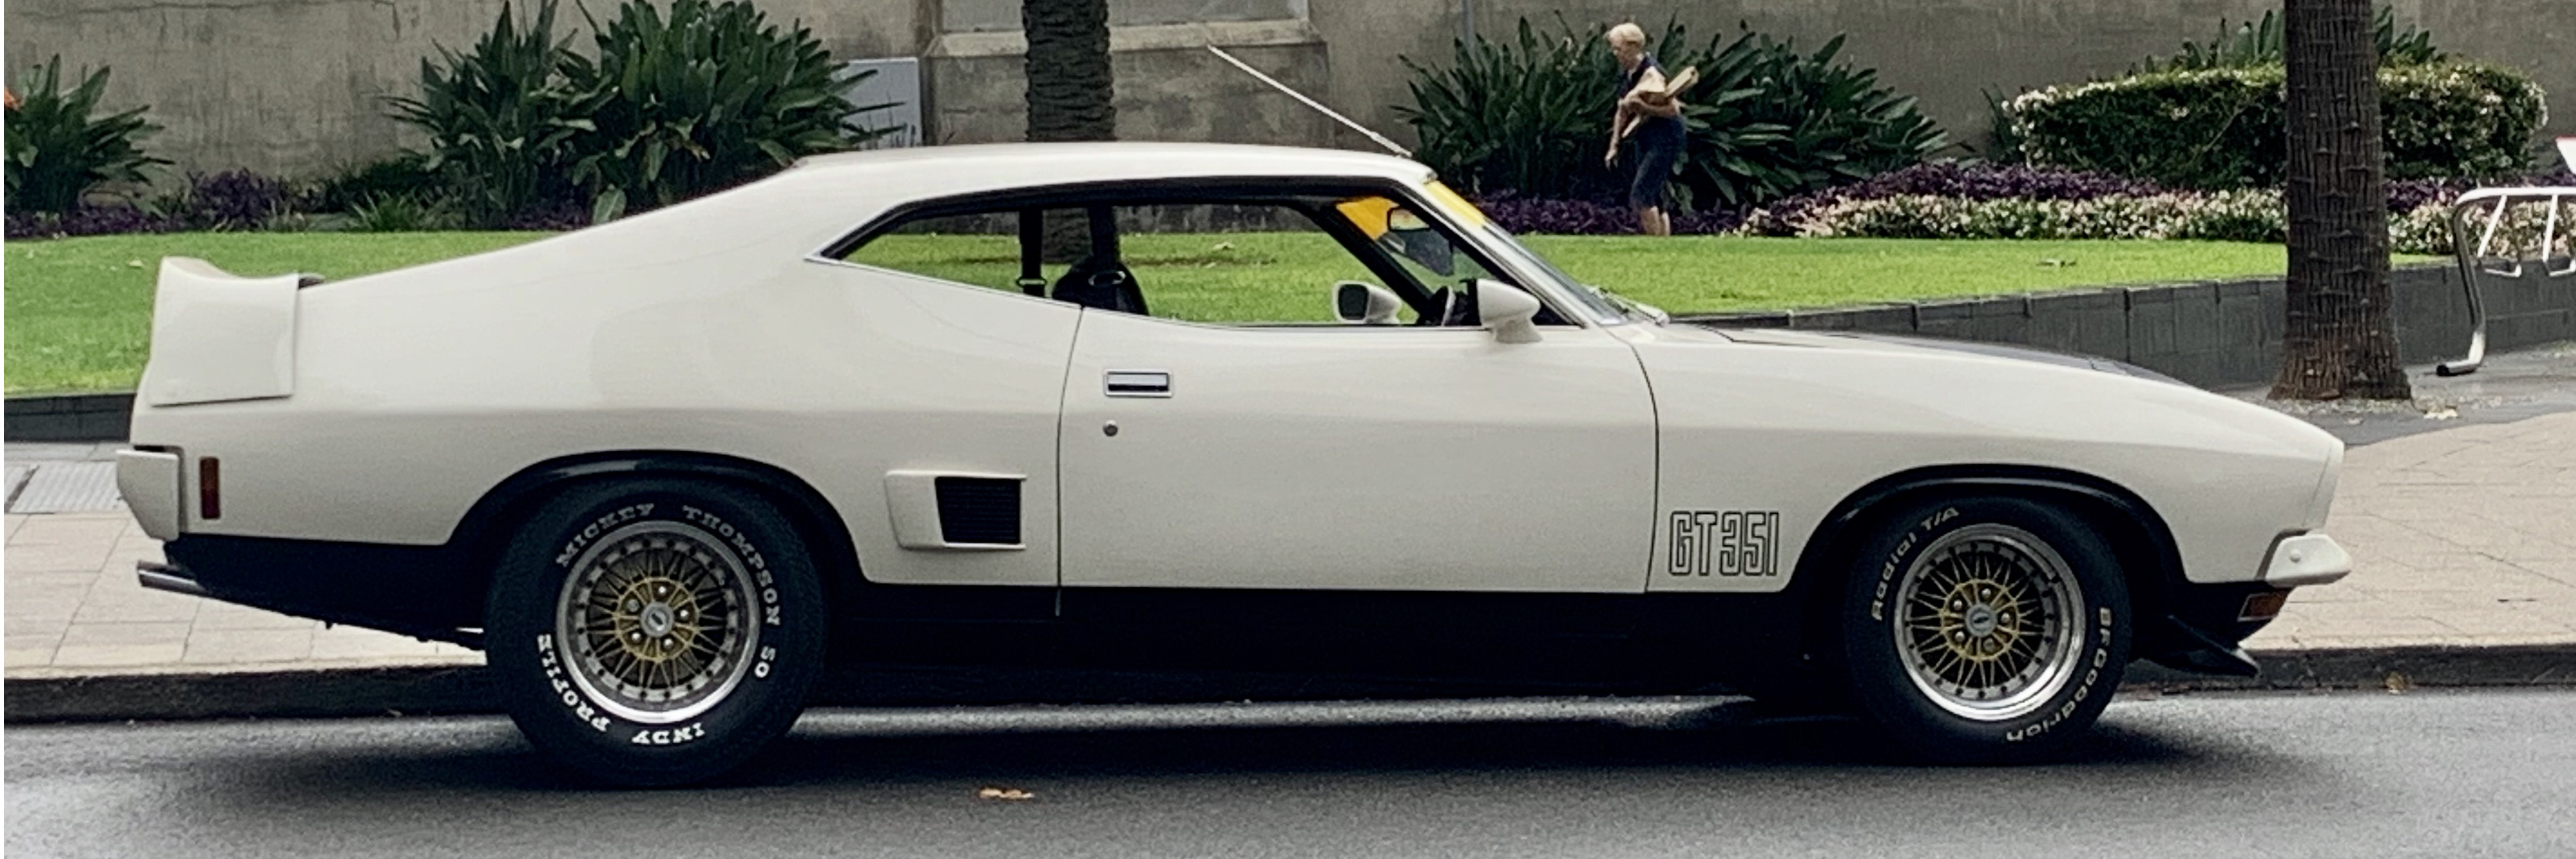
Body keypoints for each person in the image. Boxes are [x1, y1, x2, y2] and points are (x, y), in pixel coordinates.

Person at [1604, 22, 1685, 236]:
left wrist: (1645, 108)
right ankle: (1664, 244)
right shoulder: (1631, 74)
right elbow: (1622, 110)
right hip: (1646, 137)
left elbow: (1673, 110)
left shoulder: (1652, 74)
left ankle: (1655, 244)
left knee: (1641, 194)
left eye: (1618, 48)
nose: (1615, 53)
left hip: (1664, 138)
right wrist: (1614, 145)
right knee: (1655, 195)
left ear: (1632, 47)